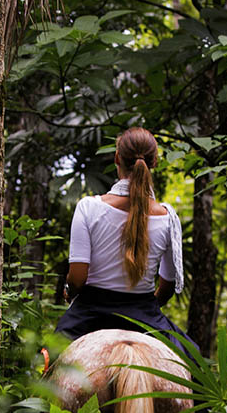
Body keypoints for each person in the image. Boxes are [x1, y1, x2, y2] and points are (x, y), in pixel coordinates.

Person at [55, 127, 197, 354]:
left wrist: (68, 291)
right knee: (194, 362)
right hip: (145, 314)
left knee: (46, 366)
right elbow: (166, 287)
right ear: (155, 162)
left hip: (90, 312)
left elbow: (78, 278)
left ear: (117, 158)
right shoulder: (168, 218)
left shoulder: (89, 208)